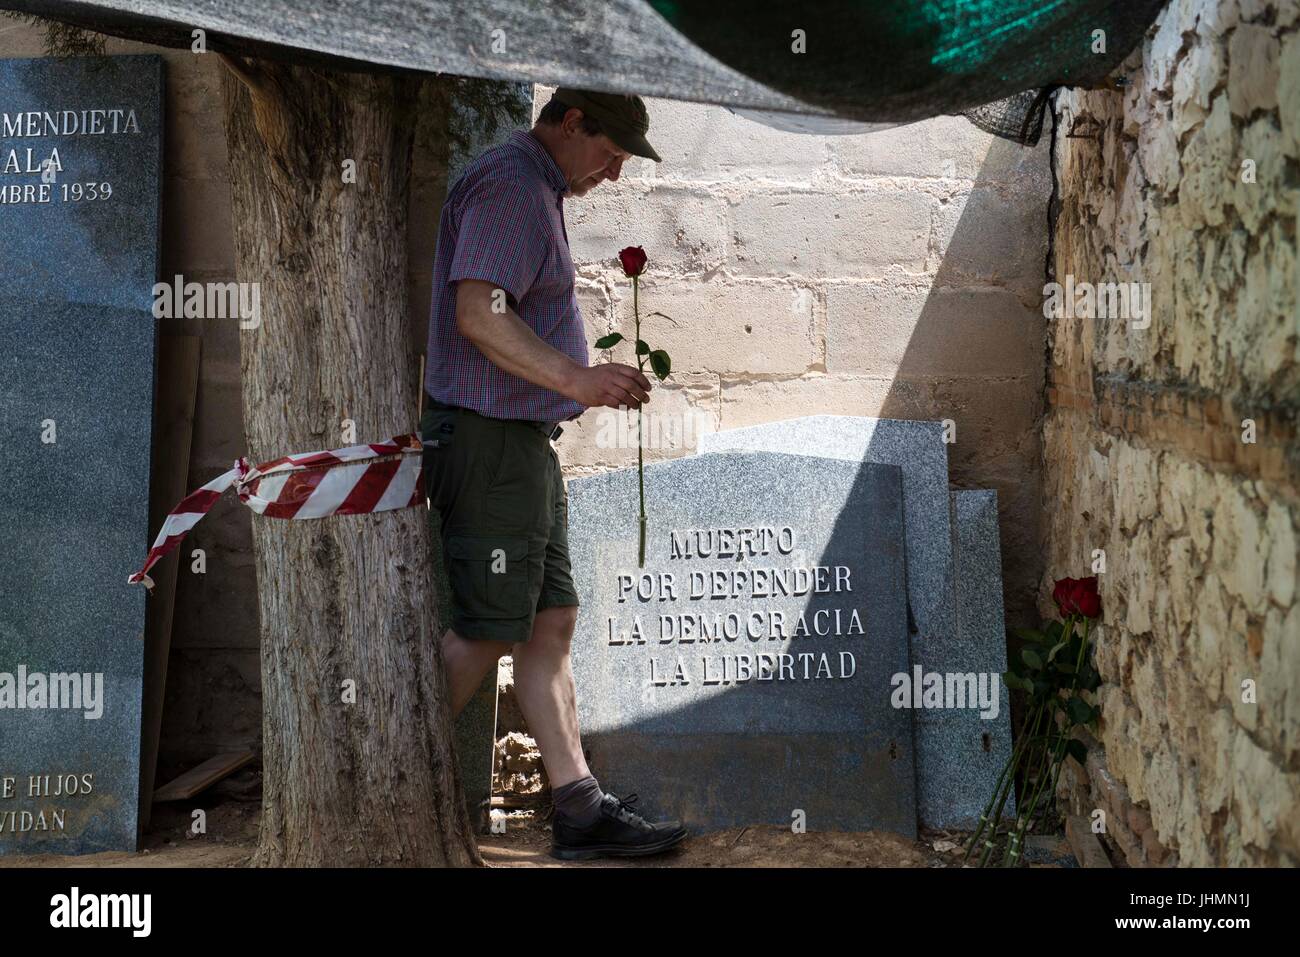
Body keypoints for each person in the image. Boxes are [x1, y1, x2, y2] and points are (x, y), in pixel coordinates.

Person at [421, 87, 688, 861]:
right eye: (608, 154)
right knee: (484, 628)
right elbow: (479, 312)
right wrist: (576, 379)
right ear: (571, 123)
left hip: (519, 442)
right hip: (491, 438)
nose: (613, 175)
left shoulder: (535, 185)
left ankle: (577, 806)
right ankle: (386, 776)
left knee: (548, 625)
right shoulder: (512, 184)